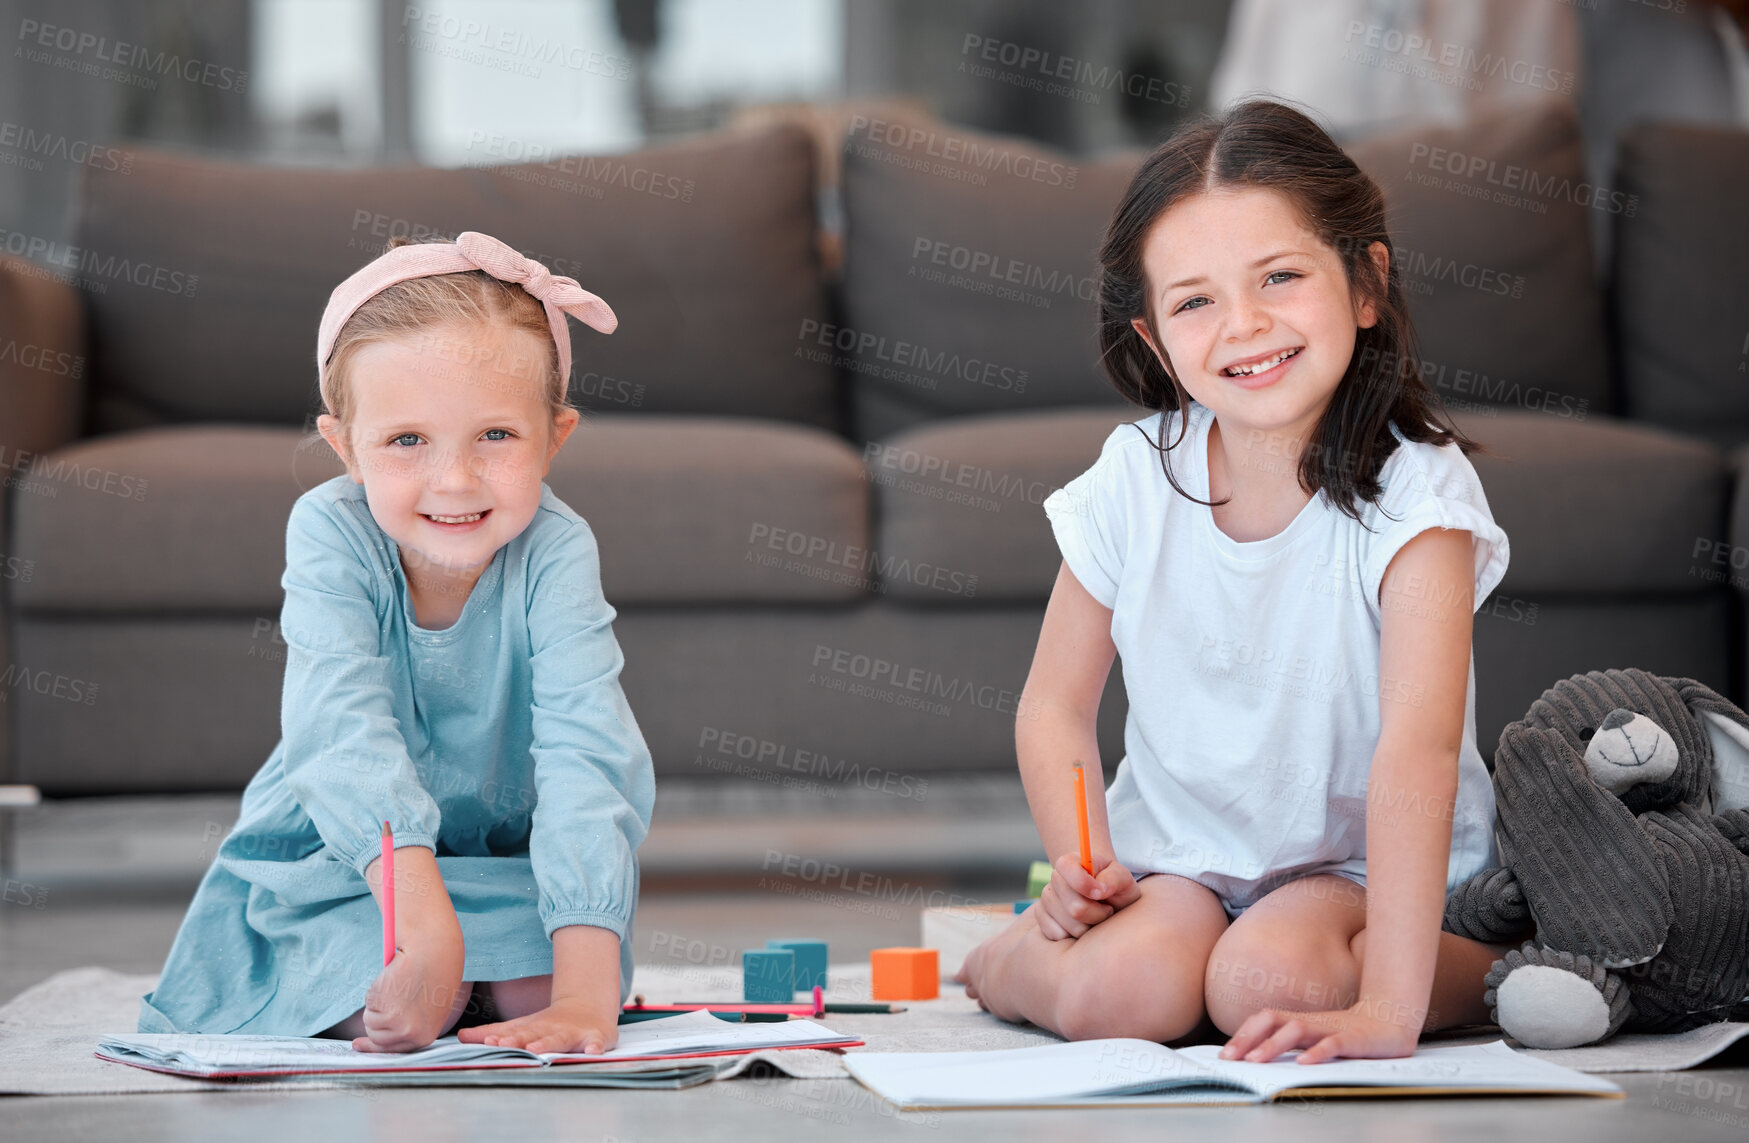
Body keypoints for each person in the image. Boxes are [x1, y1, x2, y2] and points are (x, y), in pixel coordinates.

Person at [958, 97, 1521, 1065]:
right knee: (1125, 990)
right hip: (1177, 866)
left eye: (1280, 277)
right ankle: (997, 960)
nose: (1245, 325)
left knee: (1263, 984)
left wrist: (1390, 1007)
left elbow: (1417, 755)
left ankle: (1527, 963)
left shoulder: (1422, 495)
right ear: (1153, 339)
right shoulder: (1133, 478)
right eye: (1195, 301)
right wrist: (1084, 869)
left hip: (1354, 874)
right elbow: (1053, 708)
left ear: (1365, 284)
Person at [138, 231, 655, 1056]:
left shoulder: (557, 548)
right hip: (352, 860)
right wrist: (420, 927)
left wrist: (588, 998)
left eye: (496, 436)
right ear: (345, 446)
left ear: (554, 436)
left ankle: (483, 981)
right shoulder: (329, 532)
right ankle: (433, 980)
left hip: (499, 860)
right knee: (415, 996)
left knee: (546, 990)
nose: (454, 482)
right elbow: (339, 728)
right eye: (407, 440)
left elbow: (586, 752)